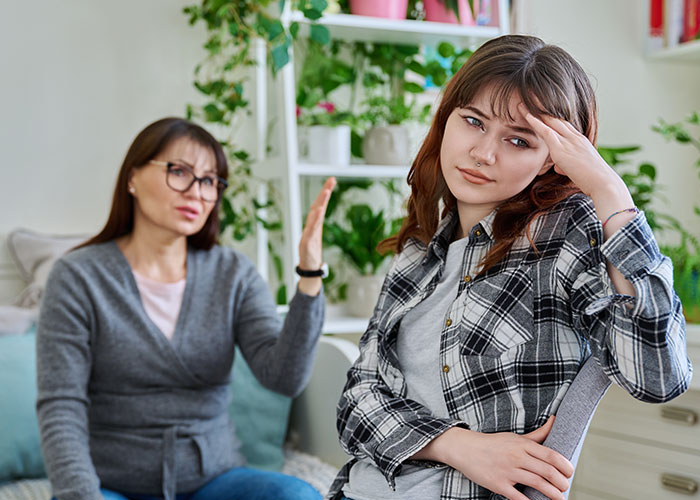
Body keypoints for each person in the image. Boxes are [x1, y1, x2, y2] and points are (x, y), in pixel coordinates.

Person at [328, 34, 693, 500]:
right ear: (447, 120)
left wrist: (611, 194)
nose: (484, 153)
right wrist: (456, 445)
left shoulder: (563, 238)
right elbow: (356, 402)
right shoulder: (418, 252)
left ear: (551, 161)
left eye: (519, 140)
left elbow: (657, 377)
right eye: (473, 122)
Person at [36, 117, 337, 500]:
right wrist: (81, 495)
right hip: (111, 484)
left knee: (296, 495)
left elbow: (284, 377)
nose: (197, 192)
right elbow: (61, 405)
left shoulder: (234, 273)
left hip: (213, 479)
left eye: (210, 180)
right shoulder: (77, 277)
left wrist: (309, 275)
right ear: (132, 178)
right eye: (179, 172)